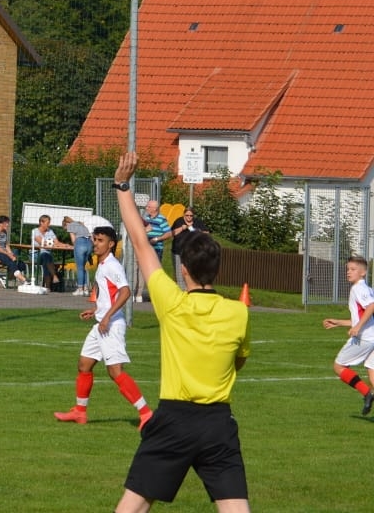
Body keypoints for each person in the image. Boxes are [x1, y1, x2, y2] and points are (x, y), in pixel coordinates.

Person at [112, 150, 251, 512]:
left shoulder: (171, 302)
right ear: (216, 270)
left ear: (184, 270)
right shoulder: (238, 313)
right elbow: (238, 362)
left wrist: (123, 186)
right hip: (218, 422)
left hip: (174, 419)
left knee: (133, 505)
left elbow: (140, 241)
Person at [53, 222, 153, 428]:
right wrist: (97, 310)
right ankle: (80, 412)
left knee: (115, 372)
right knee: (84, 364)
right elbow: (109, 295)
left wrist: (107, 316)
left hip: (111, 326)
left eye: (100, 241)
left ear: (111, 244)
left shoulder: (113, 265)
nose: (96, 244)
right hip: (101, 323)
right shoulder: (102, 263)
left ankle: (146, 414)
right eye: (95, 240)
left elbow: (125, 291)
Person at [321, 254, 374, 416]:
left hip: (365, 338)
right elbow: (362, 317)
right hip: (371, 335)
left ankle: (367, 394)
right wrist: (339, 322)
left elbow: (371, 306)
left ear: (363, 272)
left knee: (339, 366)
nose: (348, 272)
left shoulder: (359, 288)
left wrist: (358, 327)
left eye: (353, 269)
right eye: (348, 269)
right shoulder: (366, 289)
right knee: (373, 375)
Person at [0, 215, 27, 286]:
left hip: (4, 253)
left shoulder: (4, 232)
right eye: (6, 223)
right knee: (9, 260)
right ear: (0, 224)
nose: (8, 225)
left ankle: (6, 279)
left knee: (20, 263)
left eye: (8, 223)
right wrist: (8, 254)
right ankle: (23, 280)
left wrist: (11, 253)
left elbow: (6, 245)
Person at [64, 215, 94, 297]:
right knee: (83, 268)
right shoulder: (81, 224)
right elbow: (91, 237)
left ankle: (80, 289)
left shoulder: (70, 226)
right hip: (89, 244)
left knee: (79, 268)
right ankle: (86, 289)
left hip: (80, 243)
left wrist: (73, 246)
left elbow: (73, 240)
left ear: (66, 224)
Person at [34, 214, 63, 291]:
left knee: (46, 259)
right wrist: (53, 244)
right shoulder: (35, 231)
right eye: (48, 223)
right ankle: (54, 276)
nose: (49, 224)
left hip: (47, 256)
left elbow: (57, 242)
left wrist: (66, 245)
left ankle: (48, 287)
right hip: (36, 255)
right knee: (46, 256)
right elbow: (42, 243)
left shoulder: (50, 231)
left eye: (49, 223)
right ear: (41, 222)